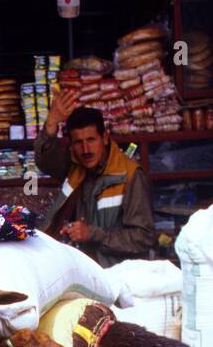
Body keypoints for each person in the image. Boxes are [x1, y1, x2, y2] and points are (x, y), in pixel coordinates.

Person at [34, 89, 155, 267]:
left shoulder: (130, 175)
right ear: (71, 146)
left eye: (91, 140)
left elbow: (143, 238)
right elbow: (45, 161)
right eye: (78, 142)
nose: (86, 149)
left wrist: (93, 234)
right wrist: (51, 123)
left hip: (119, 275)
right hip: (87, 269)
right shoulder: (76, 167)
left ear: (105, 138)